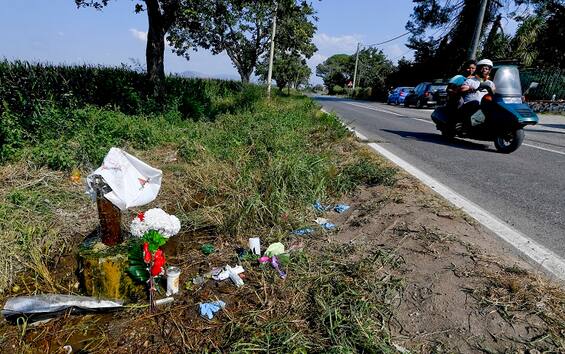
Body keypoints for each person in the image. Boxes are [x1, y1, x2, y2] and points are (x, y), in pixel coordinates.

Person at [457, 59, 495, 130]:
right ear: (478, 69)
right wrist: (471, 87)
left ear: (489, 70)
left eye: (486, 68)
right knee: (476, 103)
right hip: (470, 105)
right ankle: (467, 125)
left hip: (485, 105)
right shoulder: (471, 80)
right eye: (482, 68)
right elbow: (462, 88)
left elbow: (496, 92)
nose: (484, 70)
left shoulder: (490, 83)